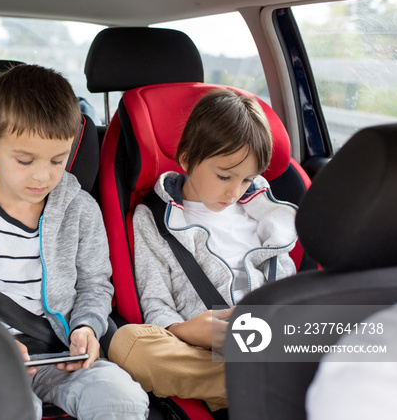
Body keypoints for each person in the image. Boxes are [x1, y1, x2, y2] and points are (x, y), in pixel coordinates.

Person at [0, 64, 149, 419]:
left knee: (123, 400)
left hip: (60, 355)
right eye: (25, 160)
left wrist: (87, 326)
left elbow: (94, 283)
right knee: (9, 407)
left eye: (58, 160)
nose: (43, 176)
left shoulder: (80, 210)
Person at [107, 88, 298, 411]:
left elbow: (292, 289)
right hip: (204, 353)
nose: (234, 191)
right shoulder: (153, 220)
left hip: (275, 339)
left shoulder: (269, 216)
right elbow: (155, 302)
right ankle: (277, 385)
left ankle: (278, 379)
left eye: (247, 179)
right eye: (224, 176)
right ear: (186, 158)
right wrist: (186, 331)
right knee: (129, 345)